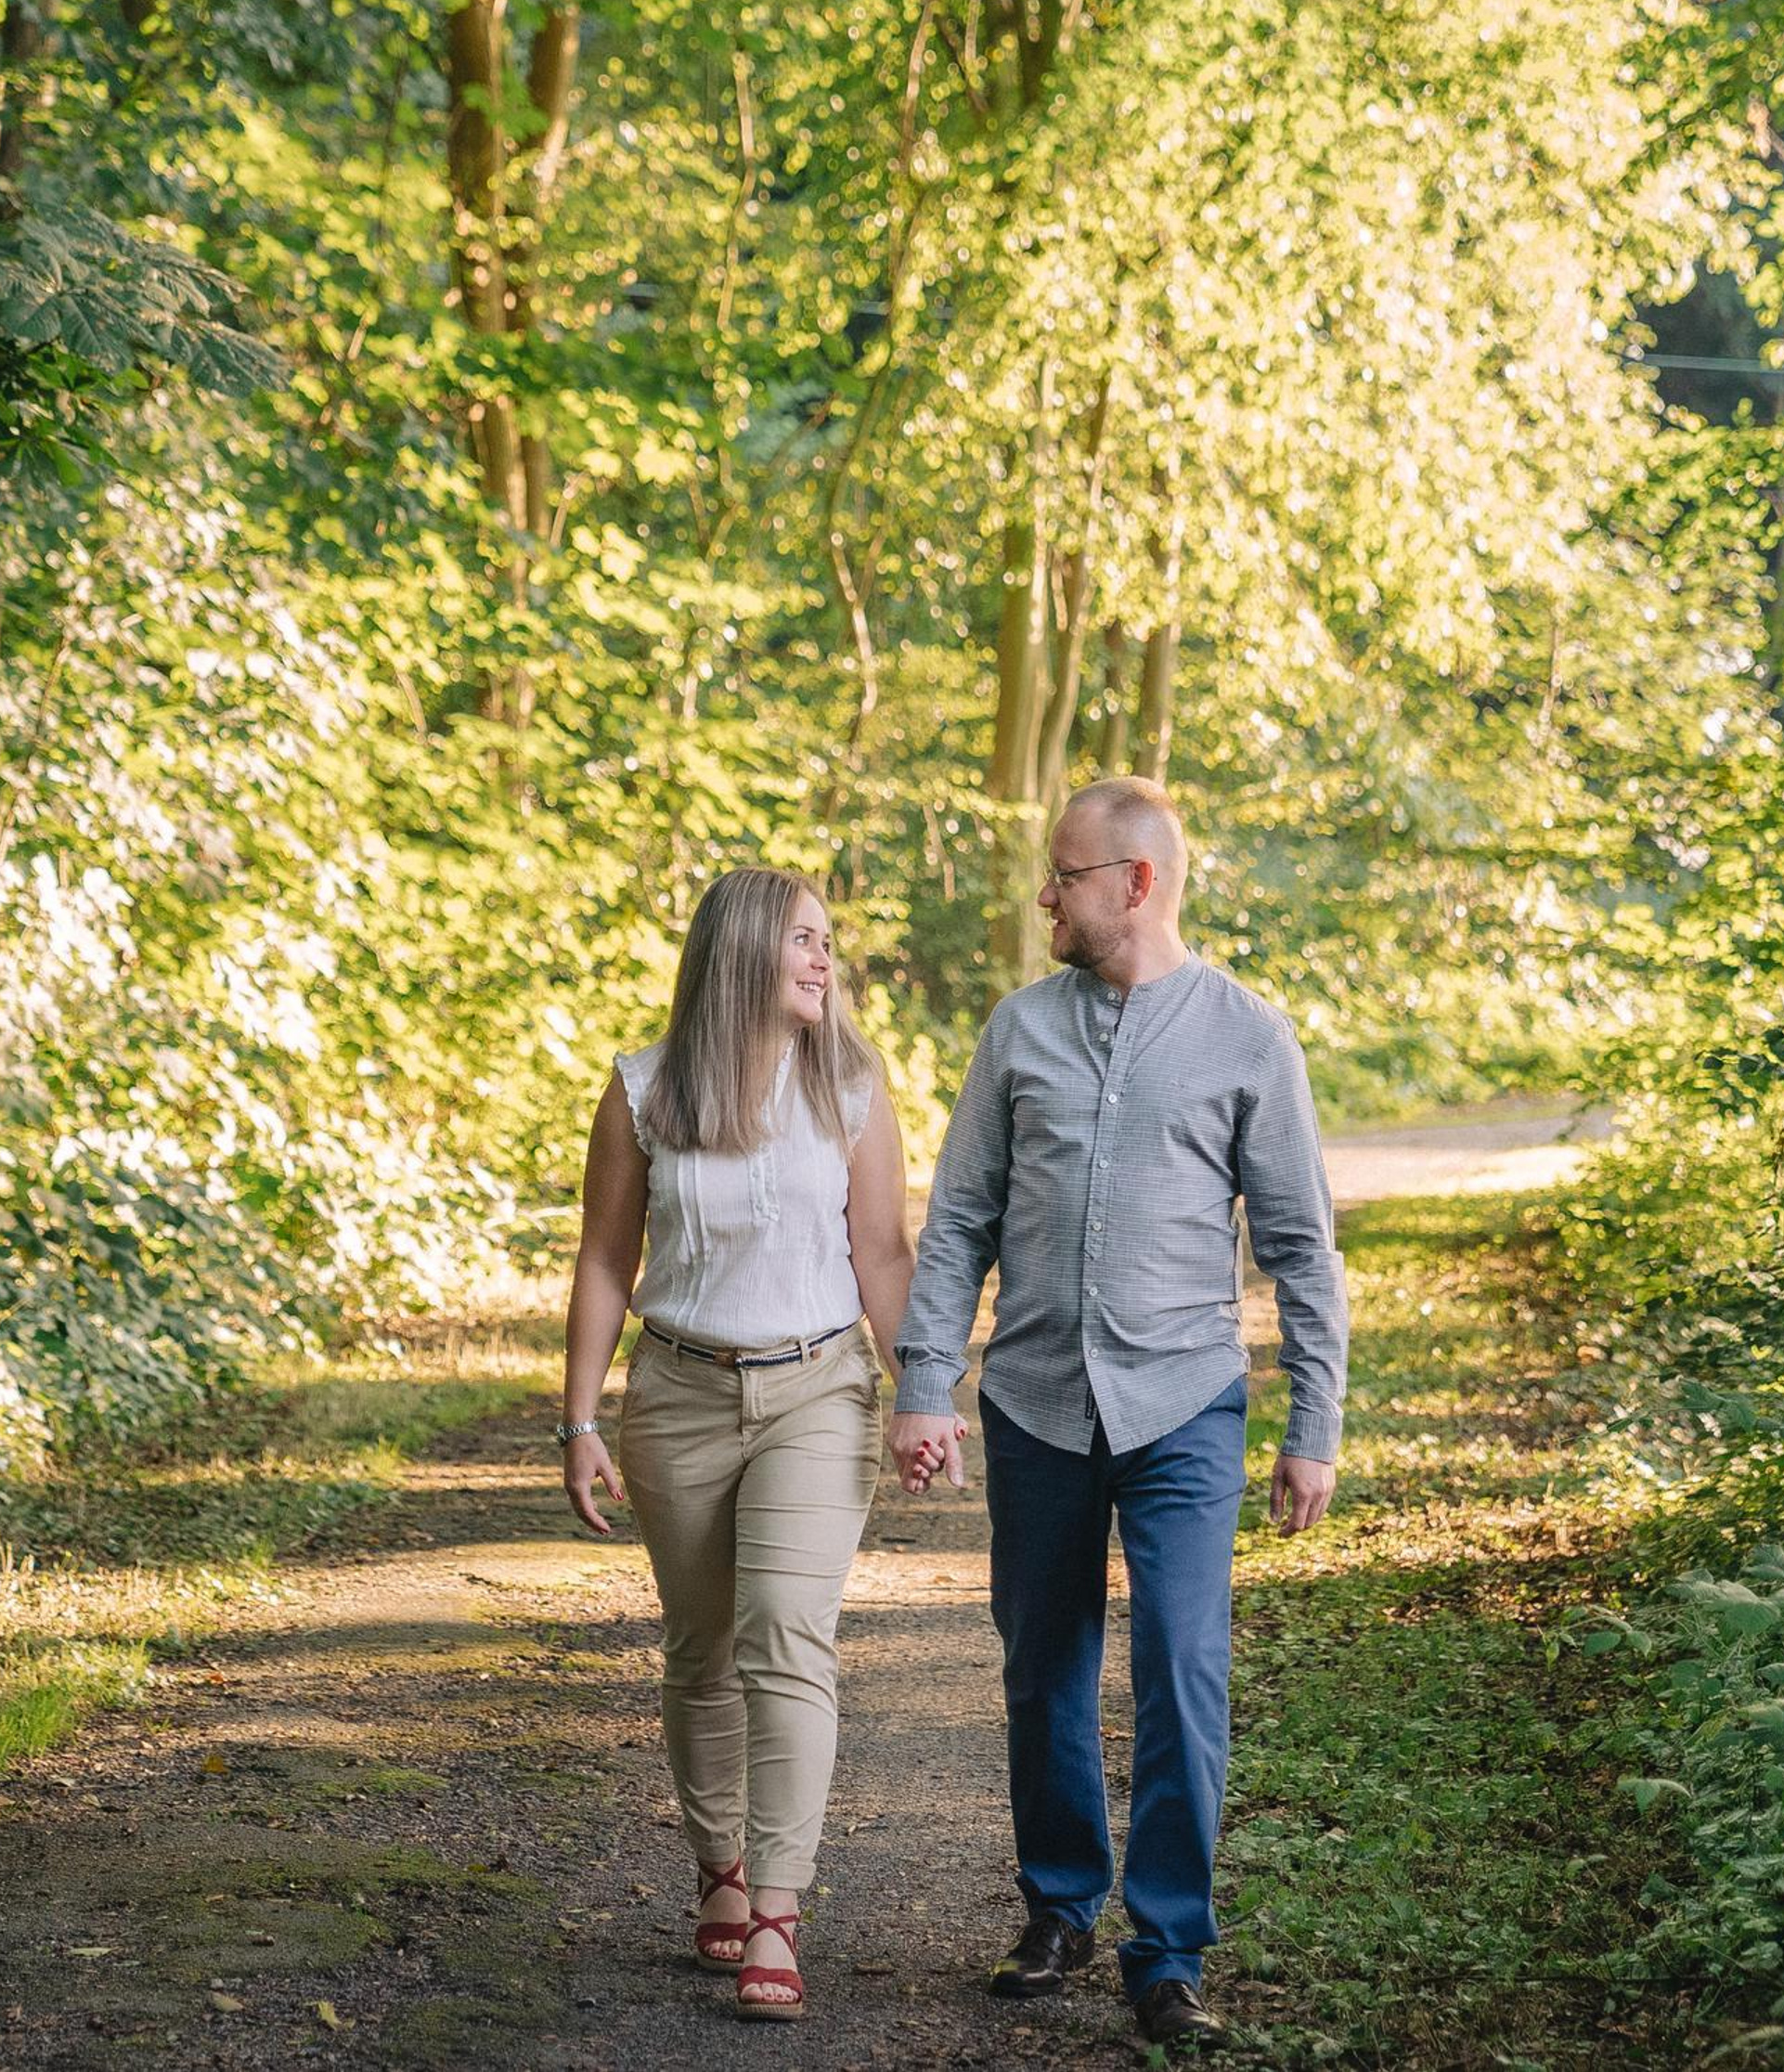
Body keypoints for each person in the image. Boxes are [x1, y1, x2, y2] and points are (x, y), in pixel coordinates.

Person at [888, 777, 1348, 2055]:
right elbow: (960, 1223)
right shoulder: (1017, 1031)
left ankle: (1168, 1948)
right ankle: (1058, 1908)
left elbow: (1303, 1247)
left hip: (1185, 1406)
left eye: (1065, 874)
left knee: (1183, 1675)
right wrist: (925, 1383)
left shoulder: (1250, 1038)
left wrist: (1318, 1422)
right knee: (1043, 1668)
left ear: (1135, 883)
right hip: (1035, 1403)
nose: (1047, 893)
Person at [559, 866, 914, 2025]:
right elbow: (607, 1260)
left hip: (819, 1388)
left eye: (828, 942)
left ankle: (775, 1907)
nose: (825, 961)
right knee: (700, 1648)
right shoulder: (644, 1090)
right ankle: (716, 1867)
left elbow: (883, 1258)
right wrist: (580, 1419)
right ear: (745, 953)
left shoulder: (853, 1087)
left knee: (784, 1630)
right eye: (804, 940)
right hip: (677, 1394)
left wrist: (926, 1392)